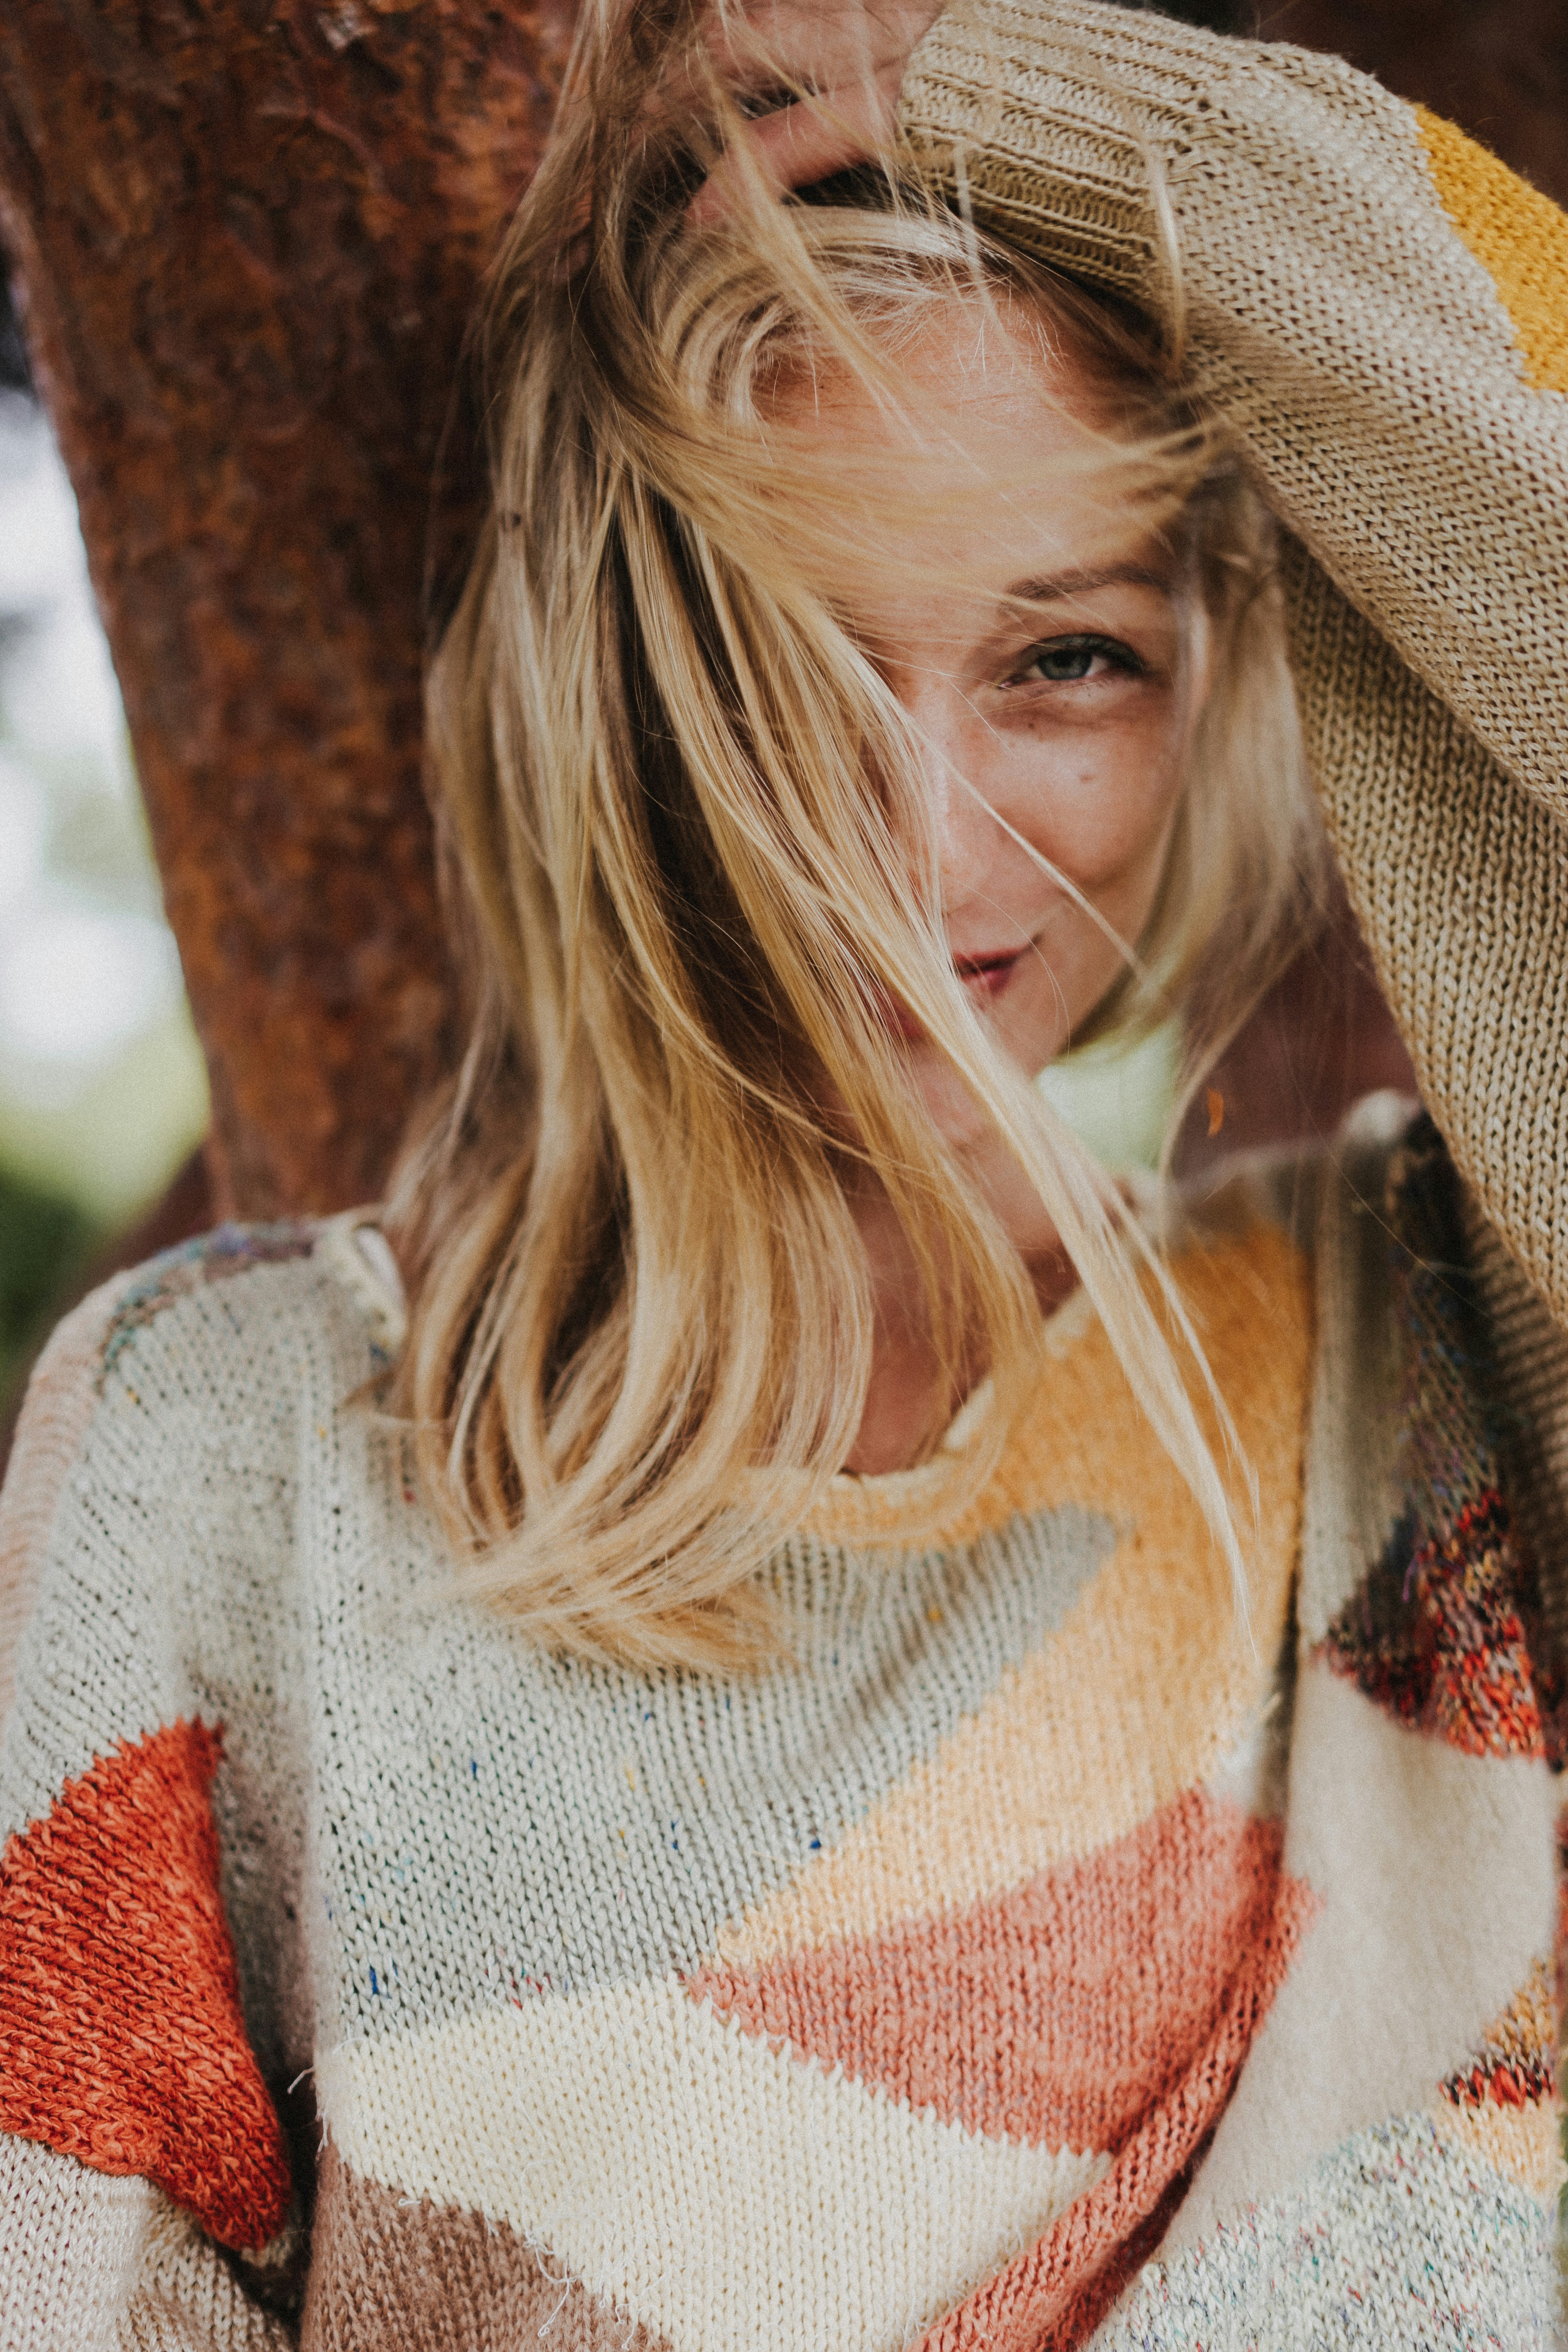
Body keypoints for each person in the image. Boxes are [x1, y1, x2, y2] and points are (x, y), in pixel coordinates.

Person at [1, 0, 1565, 2342]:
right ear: (612, 671)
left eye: (1066, 660)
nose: (917, 852)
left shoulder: (1451, 1341)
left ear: (1213, 687)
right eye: (786, 664)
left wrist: (1158, 155)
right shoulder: (221, 1450)